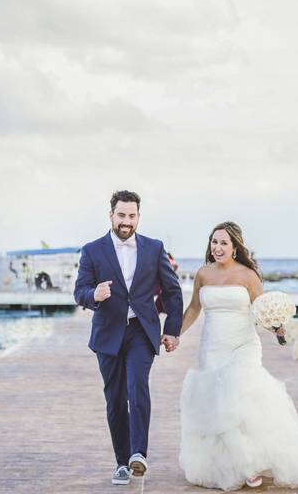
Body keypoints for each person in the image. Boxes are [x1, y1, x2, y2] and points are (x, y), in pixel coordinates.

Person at [178, 221, 298, 490]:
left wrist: (277, 328)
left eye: (224, 243)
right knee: (218, 404)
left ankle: (250, 465)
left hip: (243, 346)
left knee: (240, 400)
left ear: (235, 247)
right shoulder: (203, 274)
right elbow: (194, 308)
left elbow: (262, 311)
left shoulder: (248, 276)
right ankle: (231, 465)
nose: (217, 248)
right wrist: (174, 333)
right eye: (214, 242)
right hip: (212, 347)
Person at [73, 190, 184, 486]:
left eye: (132, 216)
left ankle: (138, 455)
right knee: (114, 398)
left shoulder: (154, 248)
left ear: (138, 217)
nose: (126, 221)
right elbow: (79, 291)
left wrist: (172, 329)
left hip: (140, 331)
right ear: (111, 215)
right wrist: (94, 295)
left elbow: (173, 291)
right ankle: (121, 462)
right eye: (121, 215)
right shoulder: (92, 250)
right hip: (108, 334)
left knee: (137, 386)